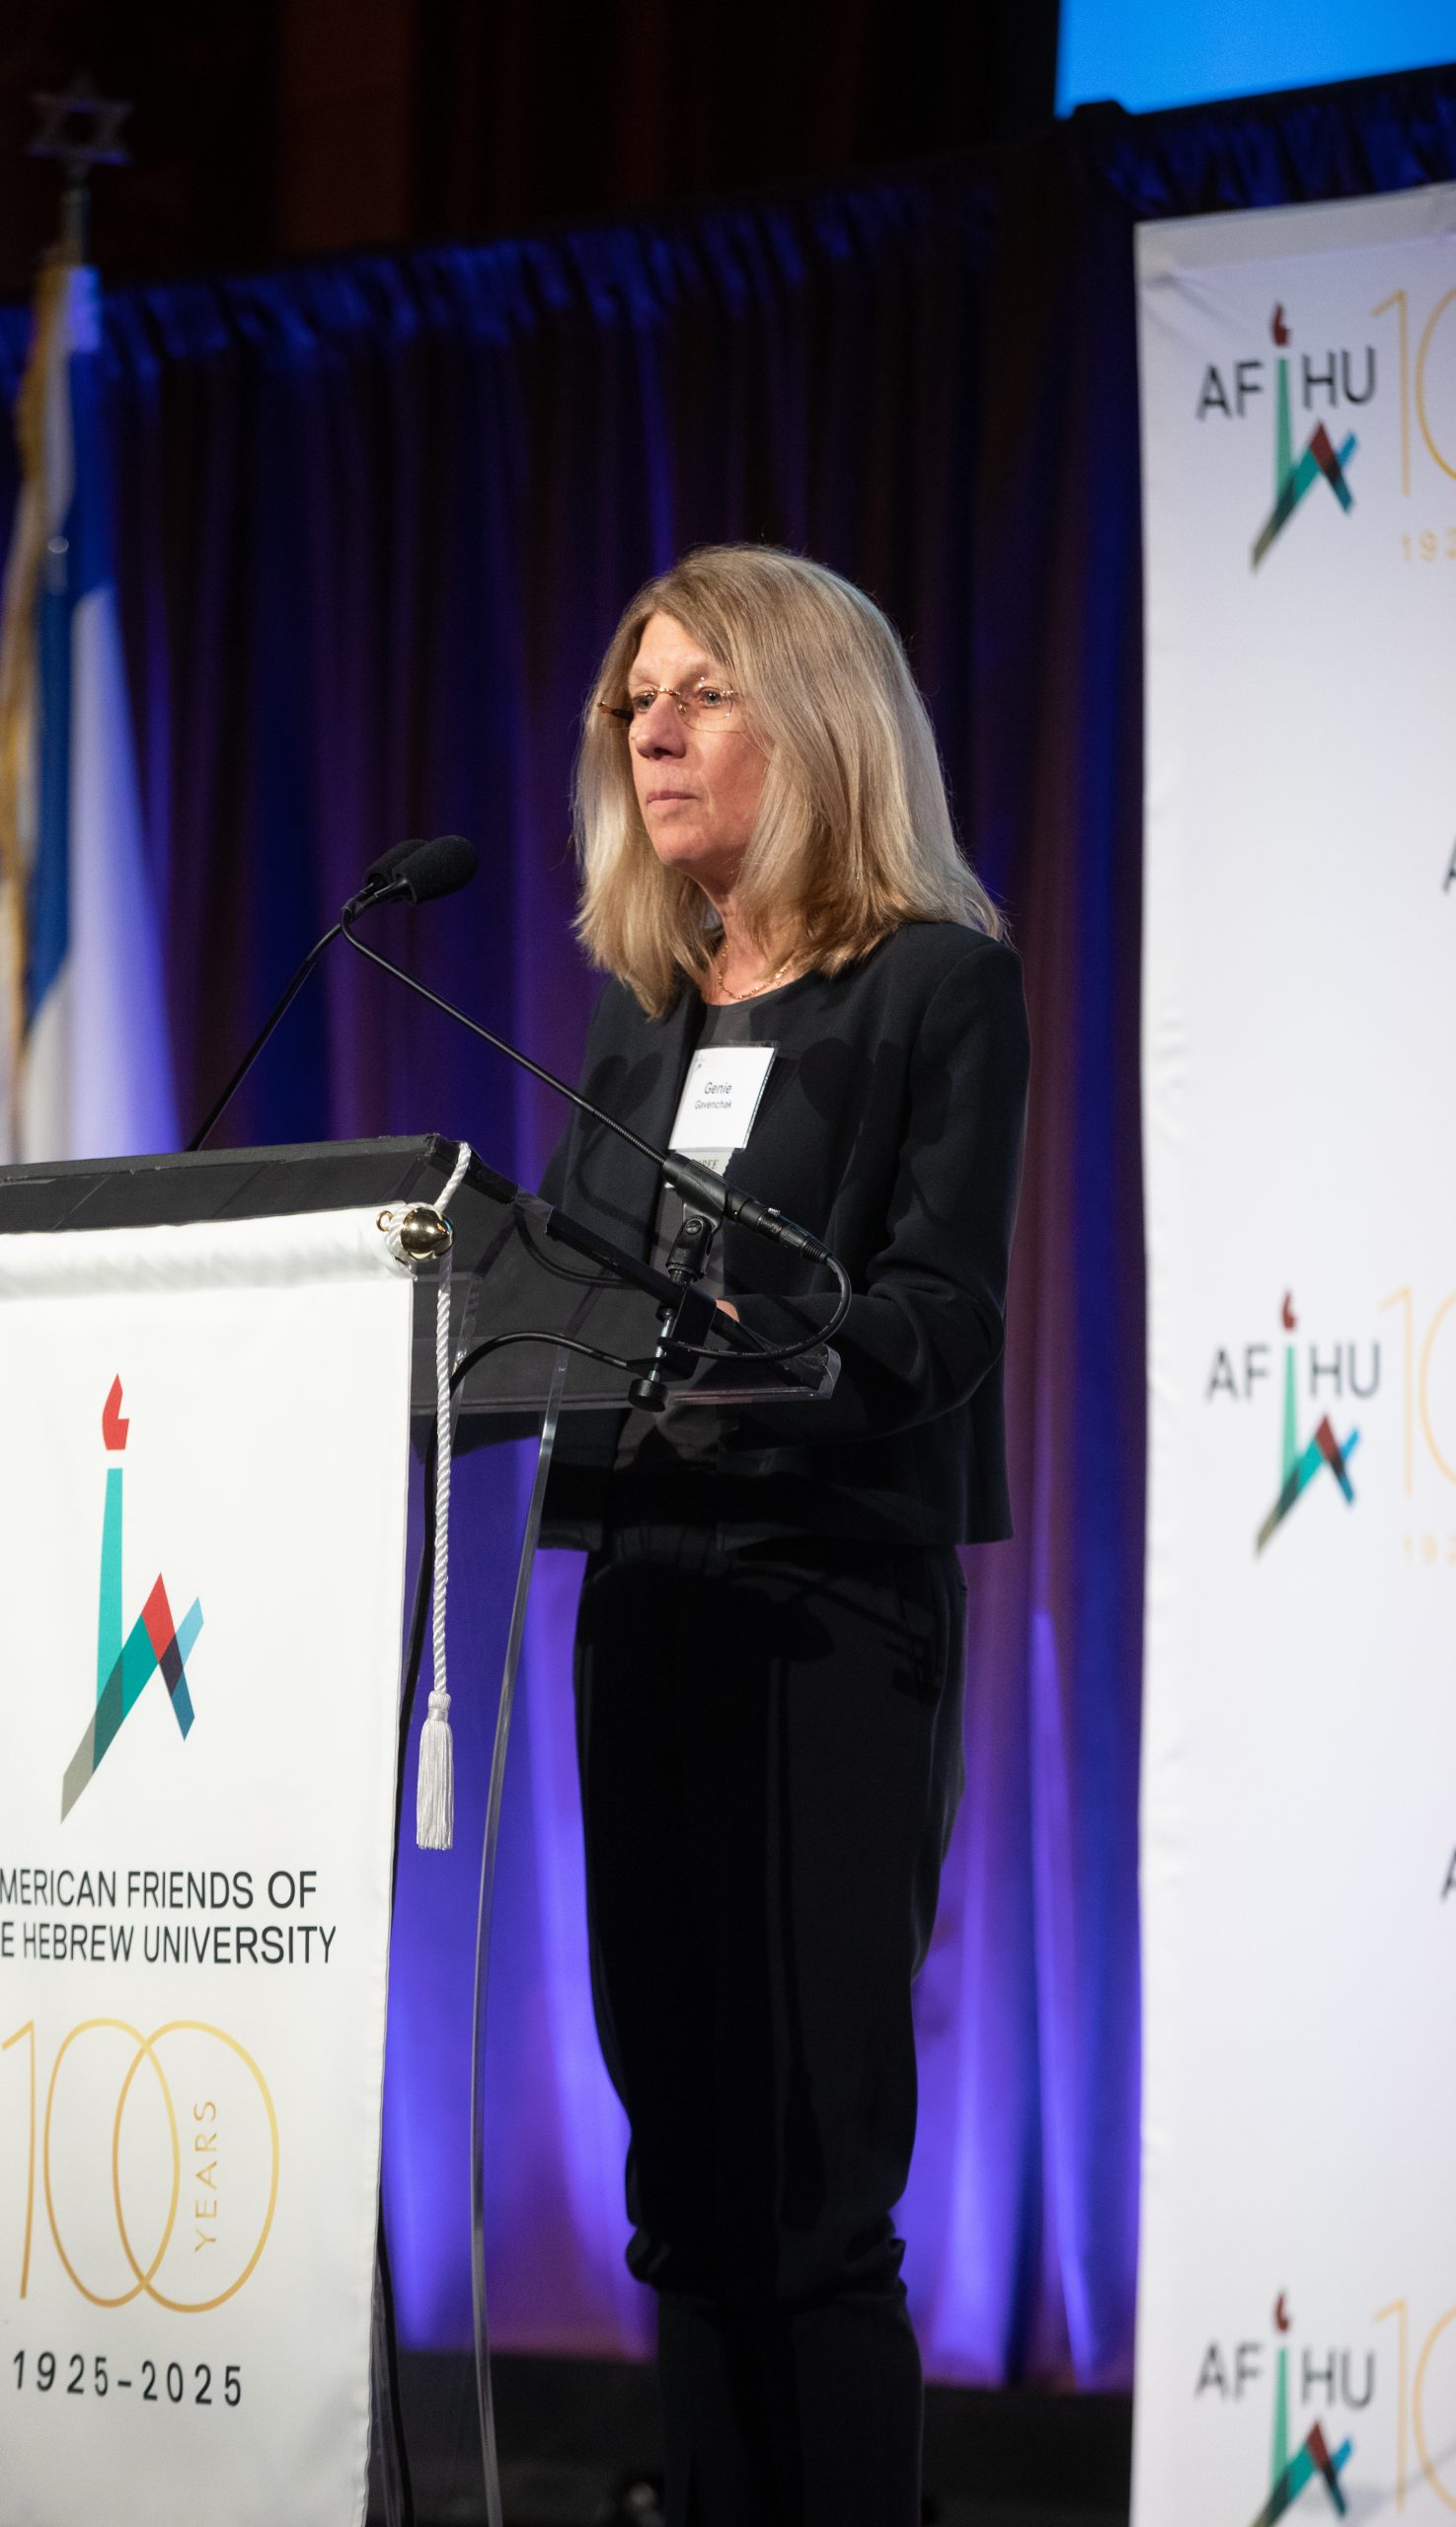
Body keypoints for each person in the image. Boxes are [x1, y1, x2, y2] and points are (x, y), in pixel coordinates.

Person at [538, 545, 1030, 2527]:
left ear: (814, 717)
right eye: (631, 702)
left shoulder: (935, 988)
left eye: (699, 693)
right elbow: (558, 1289)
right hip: (647, 1599)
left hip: (825, 1613)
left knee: (811, 2184)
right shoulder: (639, 1016)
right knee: (681, 2178)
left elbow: (943, 1314)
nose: (649, 733)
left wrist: (774, 1348)